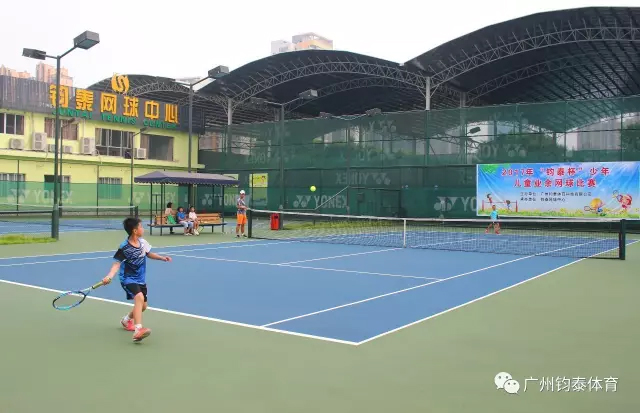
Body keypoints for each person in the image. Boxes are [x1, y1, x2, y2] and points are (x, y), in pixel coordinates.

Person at [102, 217, 171, 342]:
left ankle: (126, 320)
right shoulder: (124, 247)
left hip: (140, 279)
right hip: (127, 278)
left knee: (143, 306)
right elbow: (116, 264)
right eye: (141, 227)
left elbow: (148, 253)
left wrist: (162, 258)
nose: (143, 229)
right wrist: (109, 276)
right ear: (135, 231)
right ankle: (138, 329)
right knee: (139, 297)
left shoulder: (143, 242)